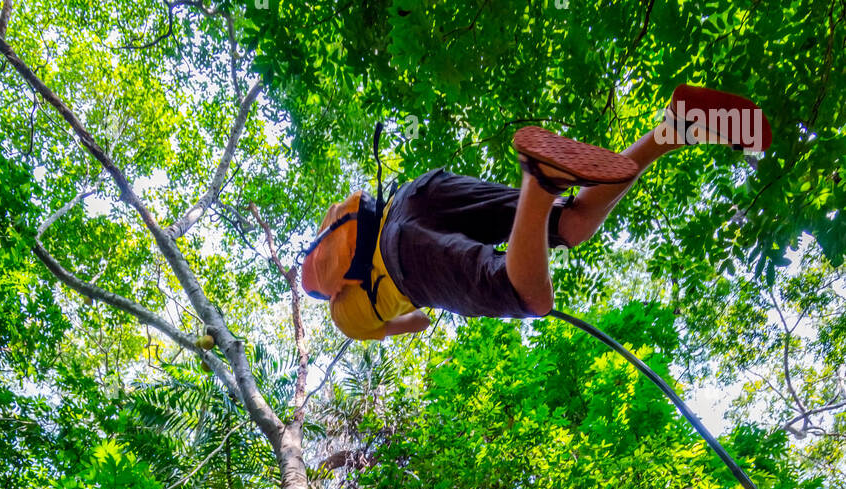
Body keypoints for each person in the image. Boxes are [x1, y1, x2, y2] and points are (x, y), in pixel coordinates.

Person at [301, 85, 772, 341]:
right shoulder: (346, 228)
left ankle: (541, 178)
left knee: (529, 297)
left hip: (404, 257)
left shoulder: (348, 318)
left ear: (329, 291)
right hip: (416, 194)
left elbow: (416, 322)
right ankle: (672, 130)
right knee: (573, 224)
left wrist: (440, 297)